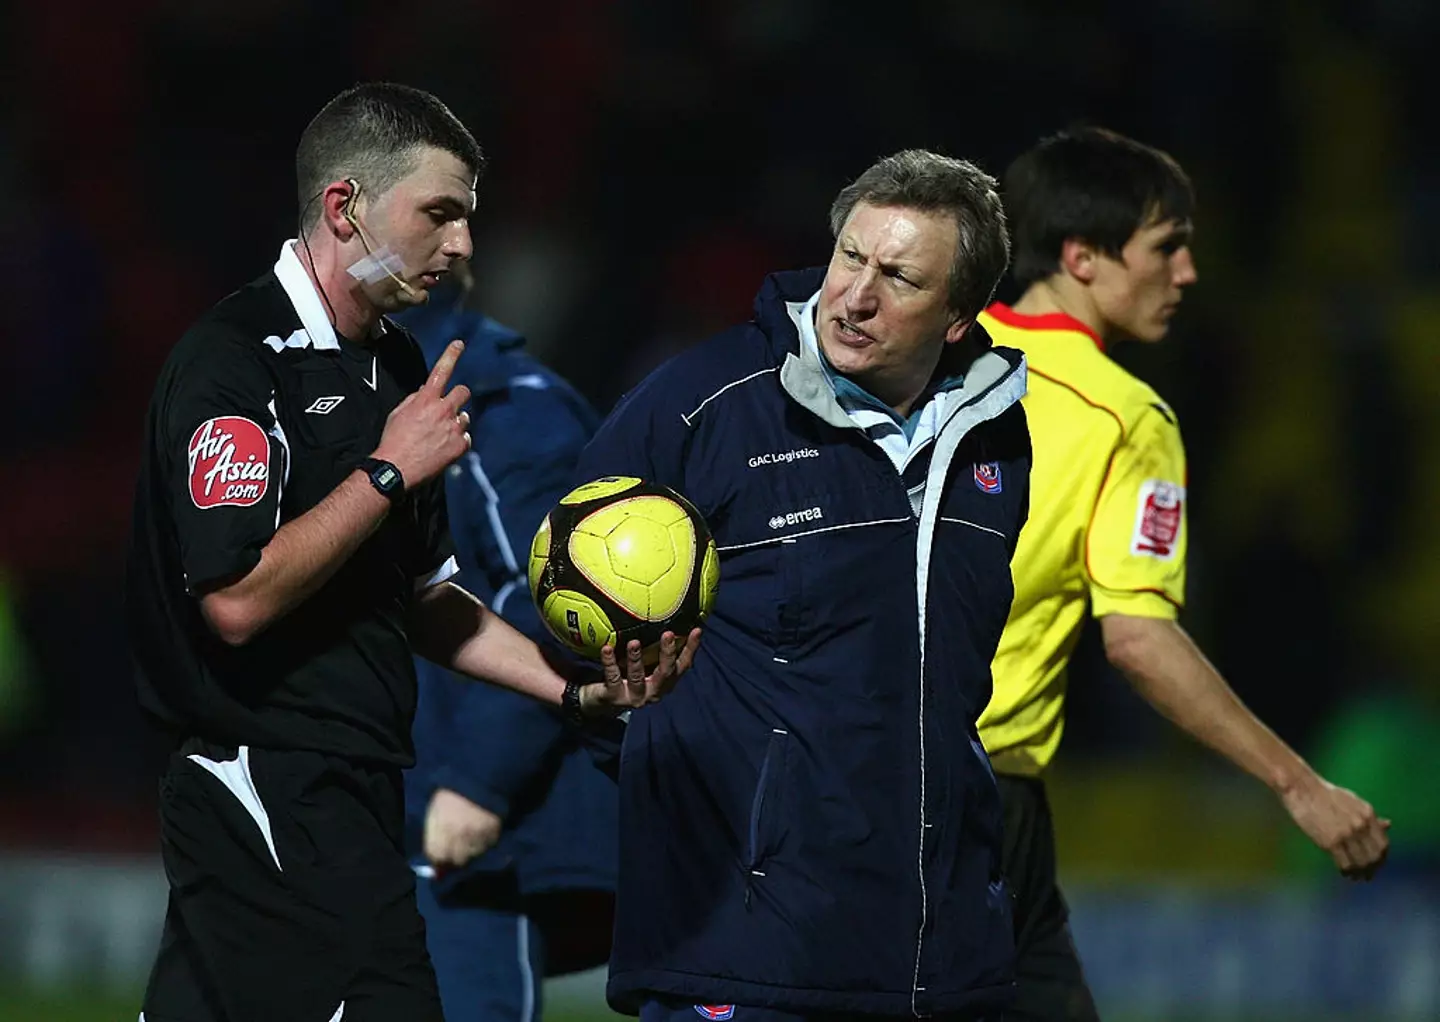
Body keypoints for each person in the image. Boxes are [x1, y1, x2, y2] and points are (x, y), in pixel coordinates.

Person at [125, 82, 697, 1022]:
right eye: (440, 213)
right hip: (262, 779)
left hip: (356, 784)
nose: (466, 245)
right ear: (345, 207)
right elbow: (233, 599)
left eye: (469, 218)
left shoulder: (394, 368)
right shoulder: (232, 360)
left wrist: (573, 690)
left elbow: (427, 599)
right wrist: (388, 472)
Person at [575, 149, 1029, 1022]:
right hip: (743, 954)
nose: (854, 296)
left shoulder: (998, 441)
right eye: (850, 257)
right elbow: (570, 617)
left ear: (960, 315)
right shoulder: (699, 408)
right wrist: (707, 820)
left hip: (944, 962)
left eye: (898, 278)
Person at [976, 126, 1392, 1021]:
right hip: (970, 800)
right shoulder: (1126, 415)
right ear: (1082, 257)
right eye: (1167, 247)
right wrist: (1300, 784)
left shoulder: (914, 358)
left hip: (823, 773)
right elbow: (1136, 638)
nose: (1190, 274)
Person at [395, 265, 620, 1021]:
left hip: (469, 829)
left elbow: (565, 608)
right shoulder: (367, 393)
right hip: (399, 800)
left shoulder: (508, 411)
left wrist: (478, 784)